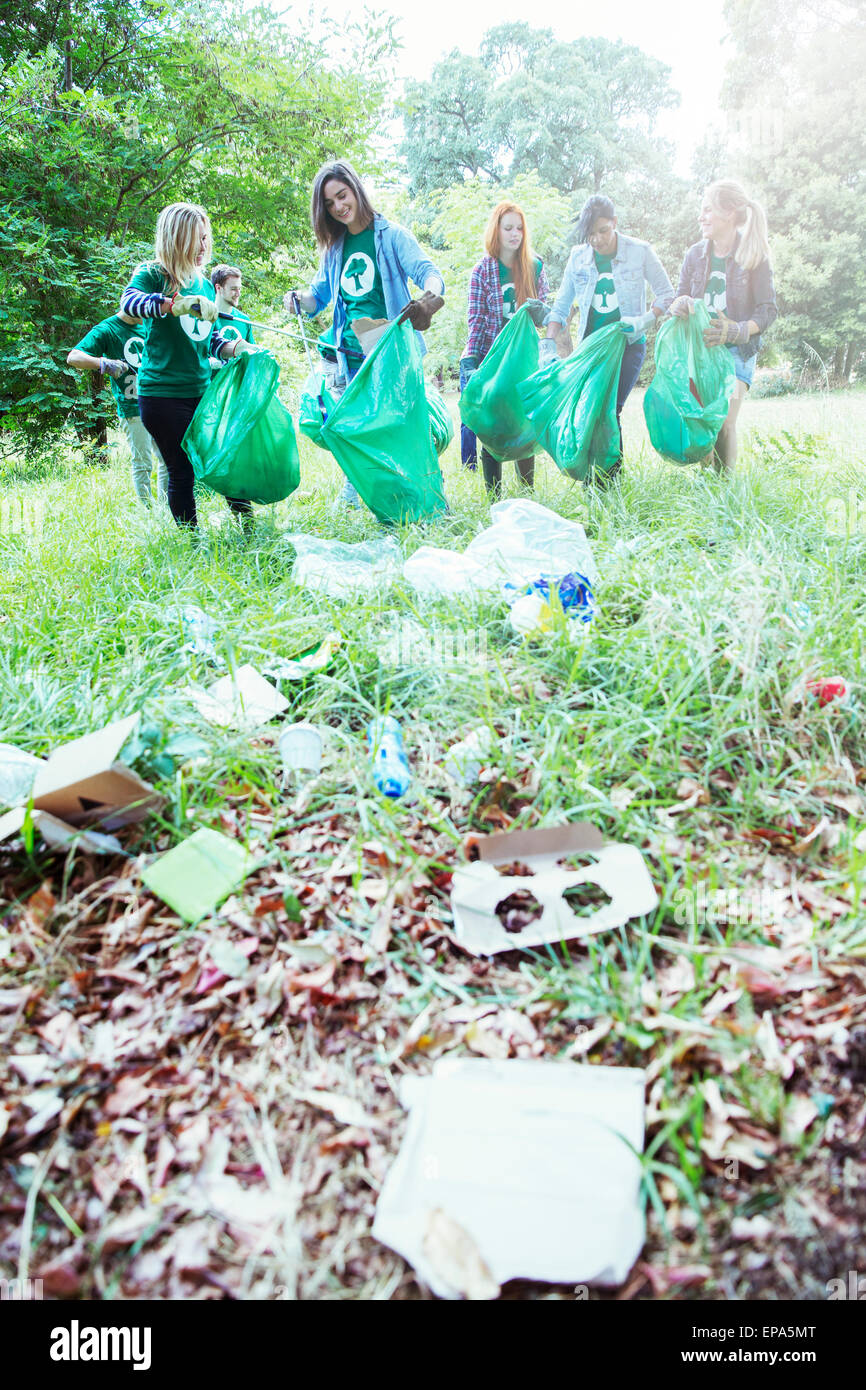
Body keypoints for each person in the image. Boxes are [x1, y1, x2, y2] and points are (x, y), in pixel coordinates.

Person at [284, 159, 445, 508]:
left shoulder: (392, 235)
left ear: (356, 189)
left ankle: (429, 497)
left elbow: (429, 273)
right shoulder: (335, 248)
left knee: (403, 427)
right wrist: (297, 300)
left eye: (342, 196)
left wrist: (428, 302)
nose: (339, 207)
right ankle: (359, 496)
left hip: (390, 351)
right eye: (329, 203)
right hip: (351, 355)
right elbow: (317, 298)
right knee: (360, 428)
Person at [120, 203, 259, 529]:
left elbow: (208, 339)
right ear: (175, 237)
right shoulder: (153, 273)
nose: (202, 246)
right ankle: (192, 543)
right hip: (161, 395)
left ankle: (250, 530)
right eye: (195, 238)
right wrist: (172, 304)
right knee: (182, 470)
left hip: (200, 391)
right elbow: (129, 302)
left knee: (224, 459)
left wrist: (236, 347)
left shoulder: (204, 284)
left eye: (205, 238)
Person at [543, 194, 674, 478]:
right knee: (589, 410)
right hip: (591, 350)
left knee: (609, 411)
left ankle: (610, 482)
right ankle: (591, 477)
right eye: (591, 234)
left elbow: (666, 294)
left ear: (614, 223)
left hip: (628, 345)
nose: (598, 240)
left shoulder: (639, 251)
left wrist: (644, 320)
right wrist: (548, 344)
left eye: (603, 231)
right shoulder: (578, 258)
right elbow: (561, 307)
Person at [670, 179, 777, 471]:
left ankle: (726, 491)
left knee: (725, 422)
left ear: (729, 214)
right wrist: (678, 305)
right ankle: (708, 490)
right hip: (701, 350)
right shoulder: (695, 254)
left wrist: (739, 330)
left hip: (737, 351)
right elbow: (679, 295)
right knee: (704, 423)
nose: (700, 217)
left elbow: (768, 311)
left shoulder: (754, 254)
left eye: (707, 210)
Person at [460, 201, 549, 496]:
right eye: (508, 227)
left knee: (523, 425)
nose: (515, 234)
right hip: (493, 359)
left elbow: (545, 317)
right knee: (494, 426)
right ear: (496, 230)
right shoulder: (483, 271)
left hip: (523, 359)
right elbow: (476, 320)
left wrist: (541, 311)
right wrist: (472, 362)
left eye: (519, 228)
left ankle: (527, 495)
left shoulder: (534, 266)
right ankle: (494, 497)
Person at [67, 306, 168, 507]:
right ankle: (147, 513)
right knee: (143, 463)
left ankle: (166, 511)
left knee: (168, 460)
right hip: (133, 408)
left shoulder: (149, 325)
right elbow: (73, 357)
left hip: (160, 403)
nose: (149, 316)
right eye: (145, 310)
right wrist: (103, 363)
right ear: (132, 304)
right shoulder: (107, 329)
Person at [208, 264, 255, 377]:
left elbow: (252, 357)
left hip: (234, 390)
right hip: (207, 389)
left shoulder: (244, 321)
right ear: (218, 288)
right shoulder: (205, 316)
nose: (238, 294)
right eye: (233, 289)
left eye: (239, 289)